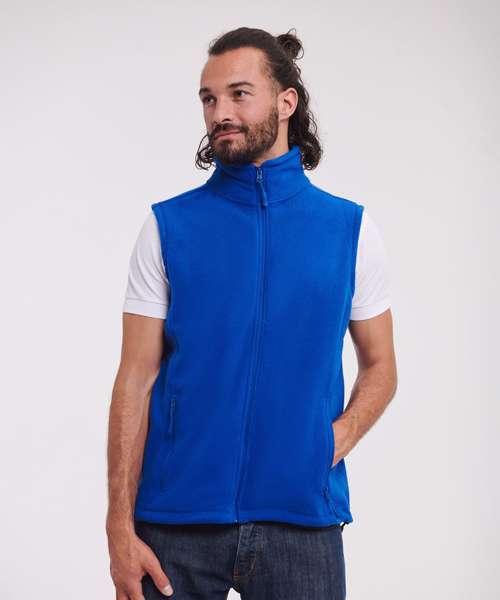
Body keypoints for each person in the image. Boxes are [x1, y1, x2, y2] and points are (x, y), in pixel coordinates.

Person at [106, 26, 398, 600]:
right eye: (209, 98)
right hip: (174, 526)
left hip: (302, 521)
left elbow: (382, 365)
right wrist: (118, 526)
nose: (220, 113)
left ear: (287, 102)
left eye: (239, 94)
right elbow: (134, 378)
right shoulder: (168, 226)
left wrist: (333, 441)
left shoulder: (349, 230)